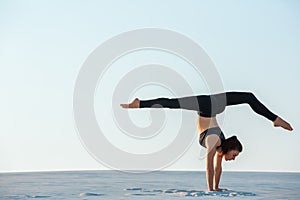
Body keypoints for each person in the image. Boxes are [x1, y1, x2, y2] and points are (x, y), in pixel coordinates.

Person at [120, 91, 293, 191]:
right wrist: (211, 189)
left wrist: (216, 188)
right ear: (231, 147)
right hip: (208, 105)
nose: (234, 158)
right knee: (172, 103)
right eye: (235, 154)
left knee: (249, 97)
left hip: (212, 103)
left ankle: (275, 120)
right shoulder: (213, 140)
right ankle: (139, 104)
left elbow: (218, 168)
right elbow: (209, 166)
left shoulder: (220, 147)